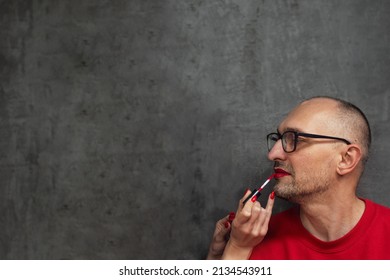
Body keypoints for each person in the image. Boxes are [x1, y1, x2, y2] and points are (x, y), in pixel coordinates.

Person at [207, 96, 390, 260]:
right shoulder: (251, 239)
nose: (273, 154)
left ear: (345, 159)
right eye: (278, 139)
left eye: (295, 139)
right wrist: (234, 250)